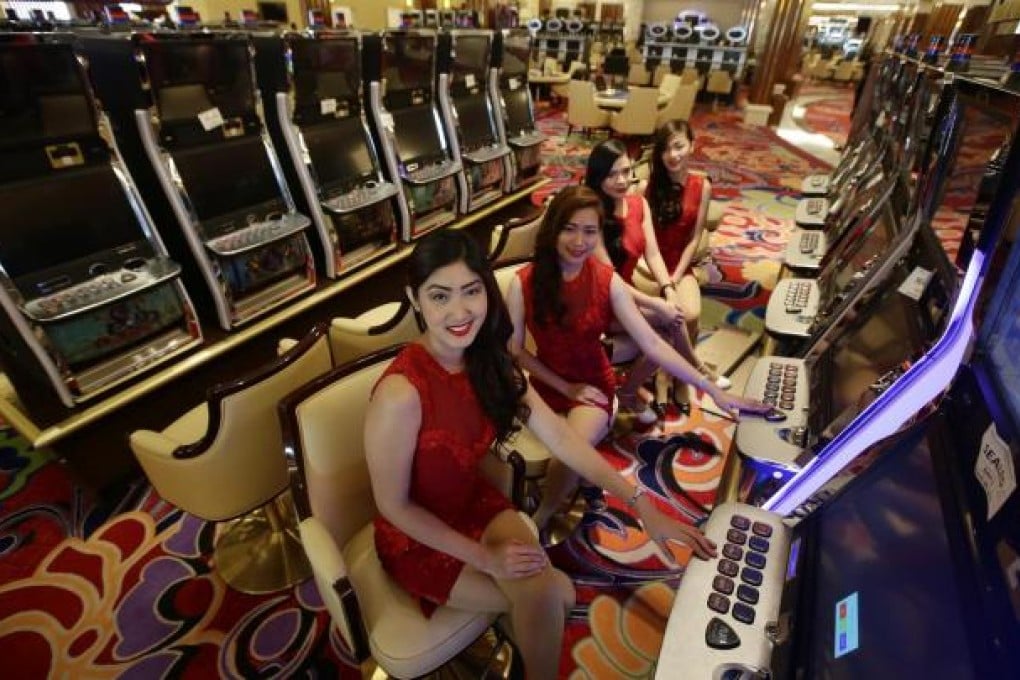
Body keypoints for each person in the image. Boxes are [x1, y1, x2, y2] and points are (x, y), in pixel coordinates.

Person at [365, 230, 718, 679]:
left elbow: (565, 441)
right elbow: (392, 505)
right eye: (440, 296)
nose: (459, 312)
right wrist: (484, 558)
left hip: (475, 503)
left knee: (545, 594)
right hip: (415, 534)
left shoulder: (491, 362)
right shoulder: (400, 393)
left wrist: (641, 505)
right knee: (552, 594)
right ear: (414, 299)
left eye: (472, 291)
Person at [505, 186, 769, 531]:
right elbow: (514, 350)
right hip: (547, 384)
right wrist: (565, 388)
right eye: (569, 228)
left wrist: (711, 389)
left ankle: (539, 519)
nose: (579, 241)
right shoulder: (522, 281)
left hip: (593, 387)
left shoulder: (606, 280)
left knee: (568, 450)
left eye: (589, 231)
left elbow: (652, 344)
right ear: (552, 229)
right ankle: (581, 483)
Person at [585, 139, 728, 418]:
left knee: (669, 327)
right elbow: (608, 278)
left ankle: (629, 390)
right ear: (598, 176)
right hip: (599, 300)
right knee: (671, 319)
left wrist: (668, 289)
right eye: (612, 174)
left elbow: (652, 254)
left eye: (626, 172)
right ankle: (697, 369)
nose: (621, 180)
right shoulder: (591, 215)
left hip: (628, 297)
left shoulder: (638, 204)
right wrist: (656, 304)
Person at [646, 120, 712, 368]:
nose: (672, 155)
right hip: (649, 265)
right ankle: (665, 372)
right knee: (669, 315)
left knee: (690, 313)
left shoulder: (702, 186)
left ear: (692, 145)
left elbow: (695, 238)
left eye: (678, 146)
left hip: (679, 264)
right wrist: (663, 280)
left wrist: (675, 276)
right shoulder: (650, 186)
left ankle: (678, 372)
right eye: (664, 149)